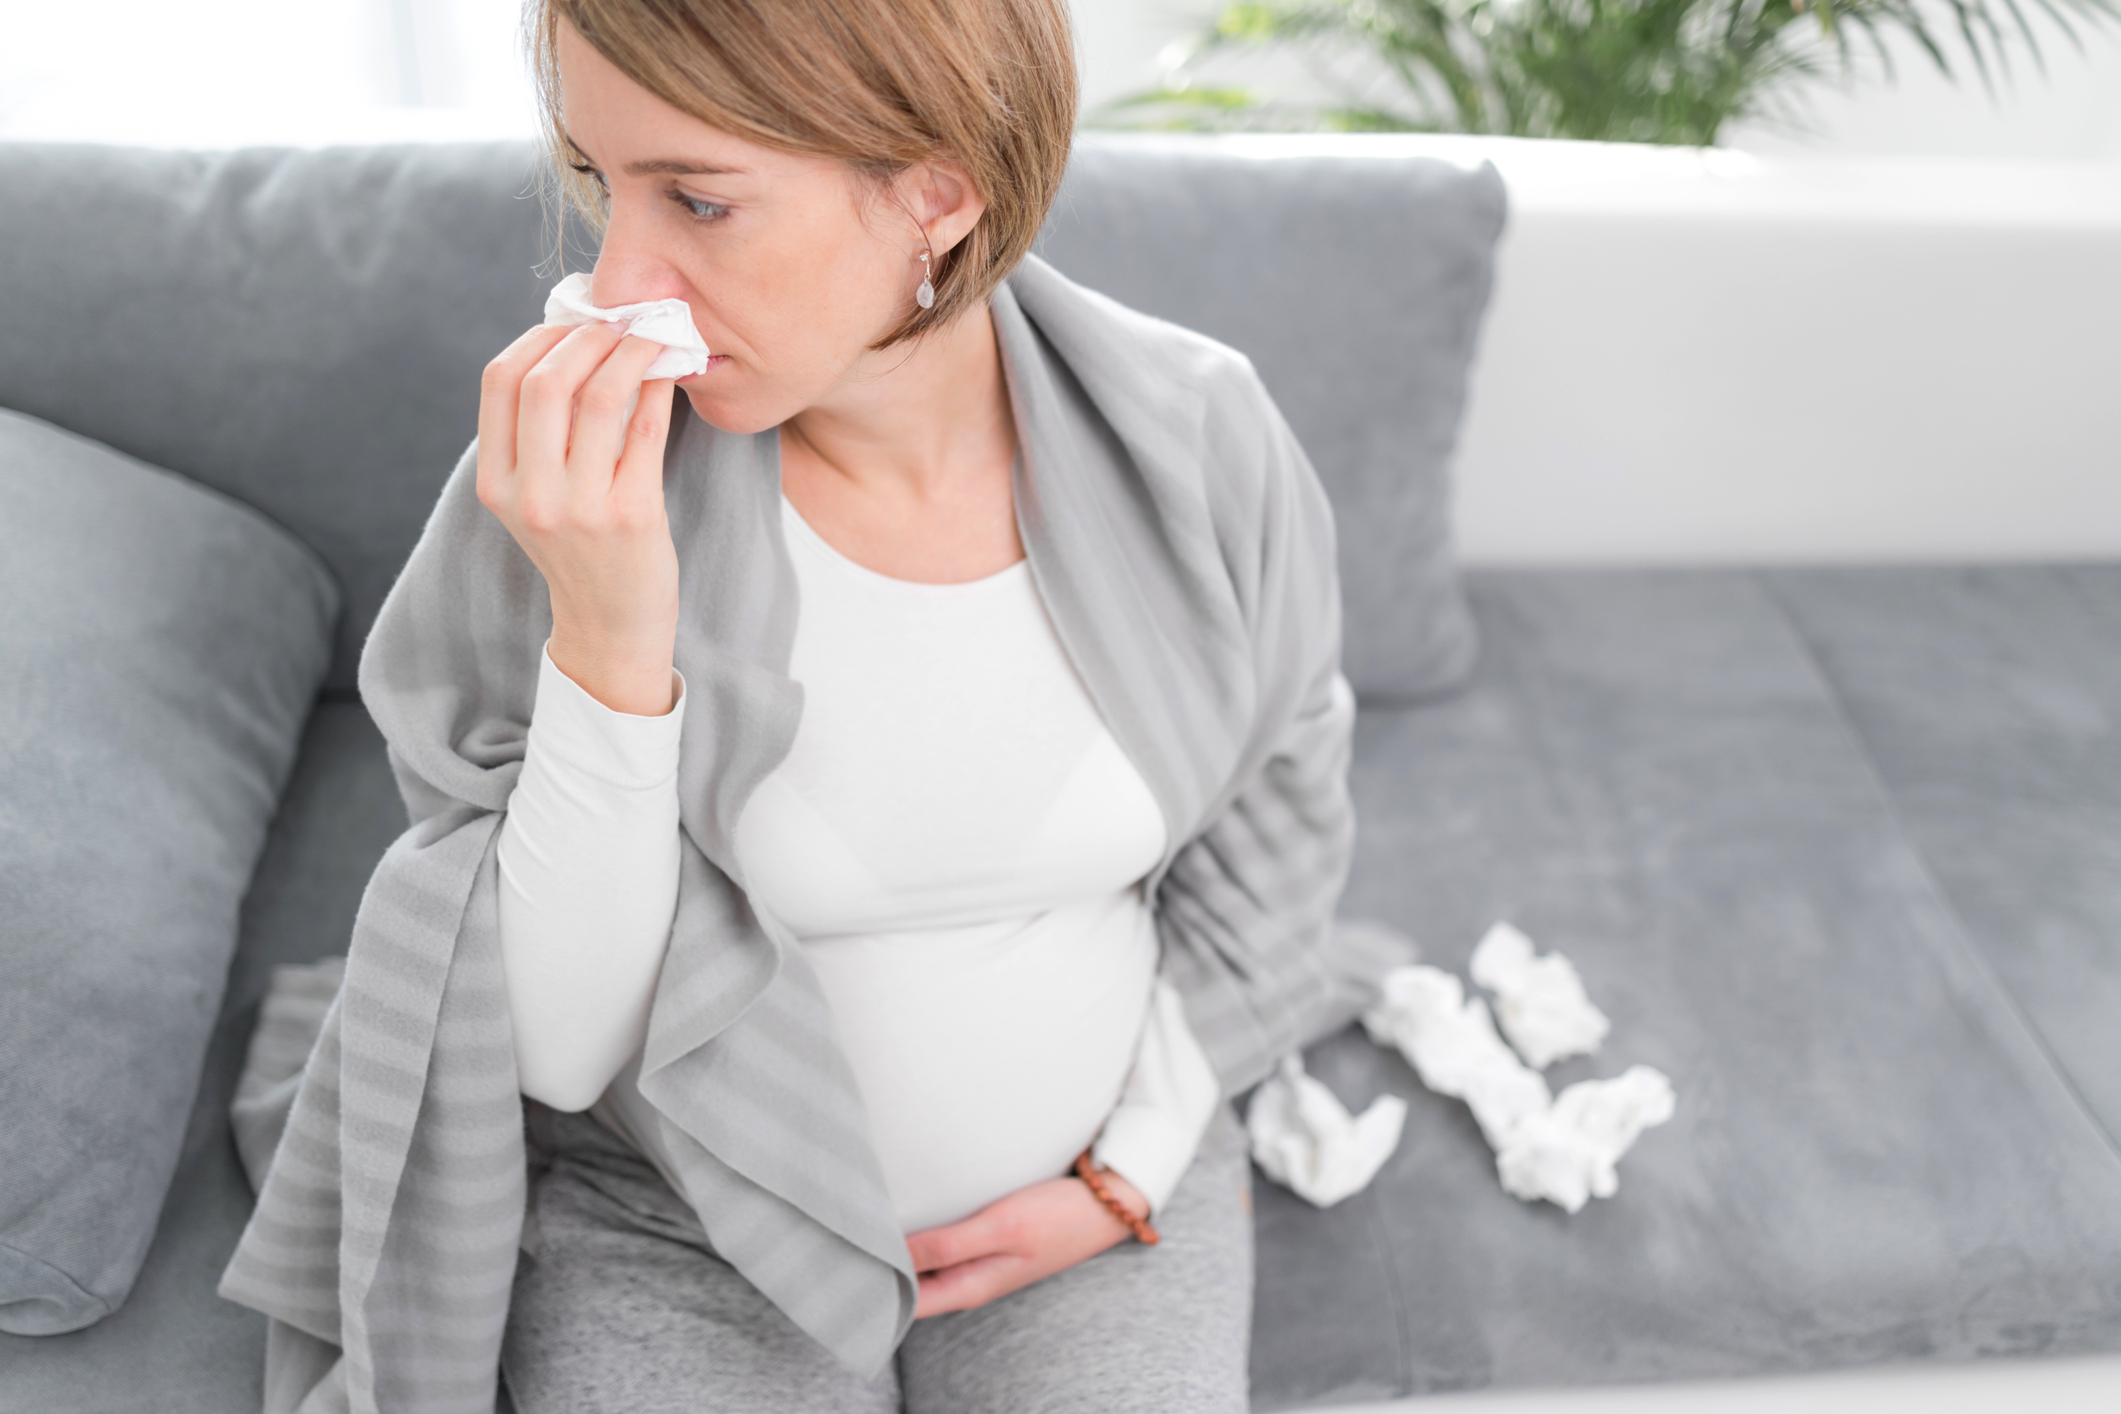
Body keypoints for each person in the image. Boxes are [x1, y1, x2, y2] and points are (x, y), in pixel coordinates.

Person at [220, 2, 1366, 1410]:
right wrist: (612, 625)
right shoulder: (572, 491)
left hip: (1090, 1194)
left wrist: (1132, 1161)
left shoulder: (1193, 436)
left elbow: (1280, 814)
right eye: (598, 183)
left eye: (699, 199)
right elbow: (565, 1048)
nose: (620, 278)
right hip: (680, 1220)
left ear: (938, 192)